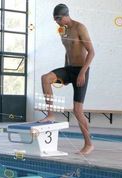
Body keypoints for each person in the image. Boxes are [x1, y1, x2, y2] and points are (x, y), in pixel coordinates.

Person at [40, 3, 95, 155]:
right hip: (69, 69)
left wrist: (83, 72)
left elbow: (91, 52)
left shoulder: (80, 28)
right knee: (45, 78)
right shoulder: (62, 30)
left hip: (81, 70)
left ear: (65, 16)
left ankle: (89, 144)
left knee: (77, 111)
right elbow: (67, 50)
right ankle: (50, 114)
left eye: (58, 19)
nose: (56, 22)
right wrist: (64, 73)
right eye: (55, 19)